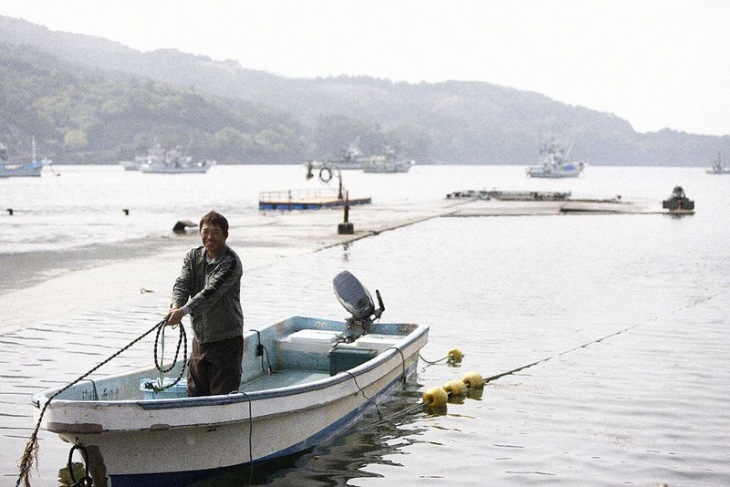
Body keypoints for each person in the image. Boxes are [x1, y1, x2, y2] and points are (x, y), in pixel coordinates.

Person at [165, 210, 244, 397]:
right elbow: (182, 283)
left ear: (225, 235)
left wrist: (182, 312)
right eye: (205, 231)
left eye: (215, 232)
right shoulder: (192, 257)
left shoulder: (231, 262)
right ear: (199, 233)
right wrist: (176, 305)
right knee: (194, 394)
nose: (210, 236)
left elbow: (210, 293)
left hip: (226, 340)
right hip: (200, 339)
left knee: (222, 397)